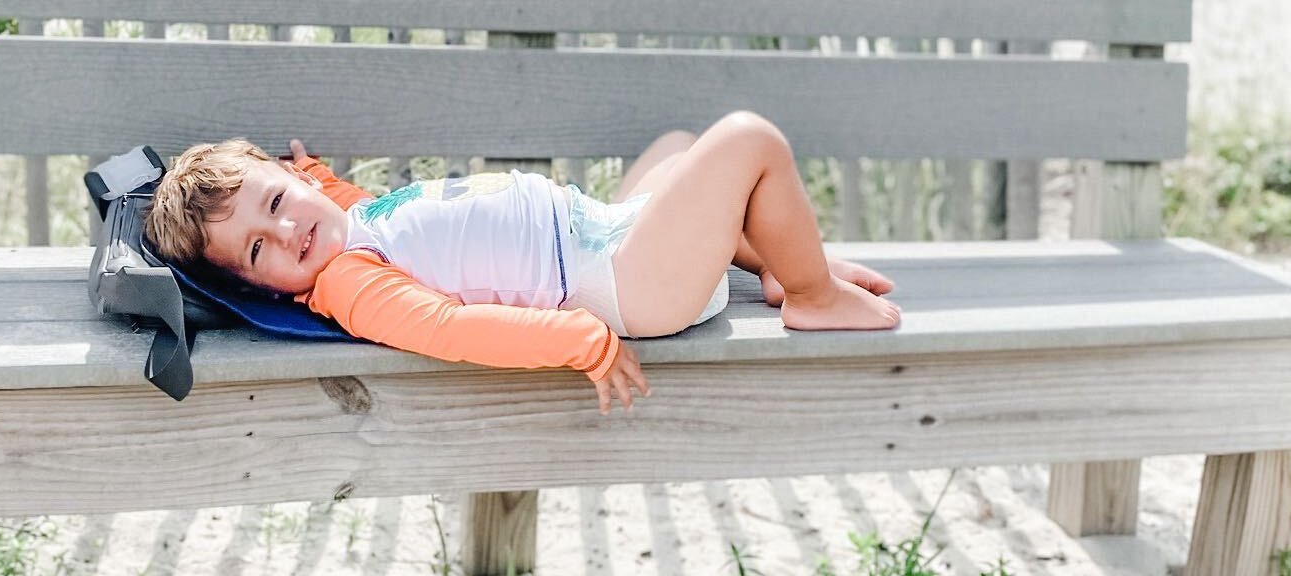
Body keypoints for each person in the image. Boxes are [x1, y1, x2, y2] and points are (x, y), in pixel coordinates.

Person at [145, 110, 899, 416]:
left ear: (298, 181)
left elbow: (343, 205)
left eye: (277, 204)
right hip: (621, 287)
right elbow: (450, 327)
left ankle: (768, 259)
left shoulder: (347, 221)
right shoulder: (348, 284)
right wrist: (578, 339)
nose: (286, 236)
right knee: (747, 140)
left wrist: (317, 180)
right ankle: (809, 291)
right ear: (253, 285)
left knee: (675, 149)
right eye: (257, 251)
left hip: (605, 233)